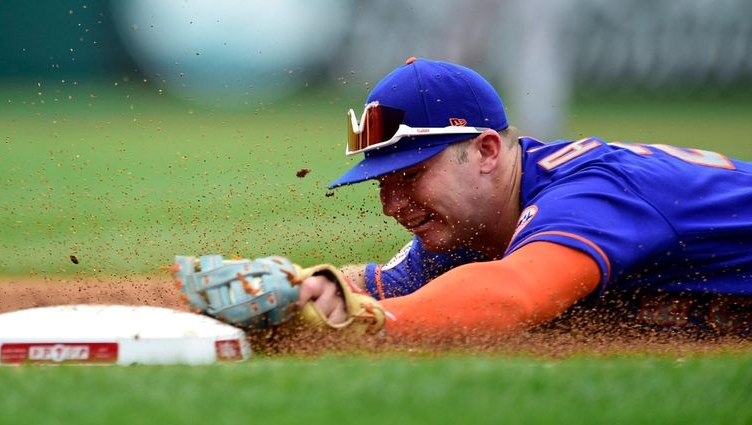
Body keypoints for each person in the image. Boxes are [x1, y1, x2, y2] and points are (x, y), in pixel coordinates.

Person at [297, 57, 752, 338]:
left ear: (487, 151)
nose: (391, 205)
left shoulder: (587, 195)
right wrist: (290, 287)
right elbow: (374, 287)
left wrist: (365, 322)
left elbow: (511, 297)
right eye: (382, 183)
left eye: (411, 175)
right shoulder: (471, 226)